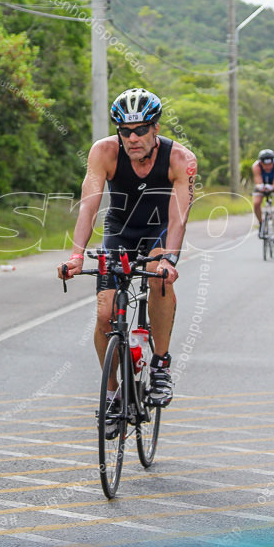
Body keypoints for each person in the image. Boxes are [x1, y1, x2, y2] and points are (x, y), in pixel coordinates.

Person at [59, 87, 197, 417]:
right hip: (120, 231)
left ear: (156, 129)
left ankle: (161, 364)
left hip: (158, 231)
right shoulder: (104, 152)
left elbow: (179, 216)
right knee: (106, 315)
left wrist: (170, 259)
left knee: (160, 280)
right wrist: (77, 255)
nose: (132, 138)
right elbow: (88, 208)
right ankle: (112, 394)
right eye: (125, 131)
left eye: (140, 130)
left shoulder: (181, 159)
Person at [252, 149, 274, 242]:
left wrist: (272, 188)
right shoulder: (256, 166)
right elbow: (258, 181)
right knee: (256, 203)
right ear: (261, 163)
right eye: (265, 165)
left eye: (269, 164)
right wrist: (261, 187)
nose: (267, 167)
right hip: (262, 184)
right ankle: (261, 224)